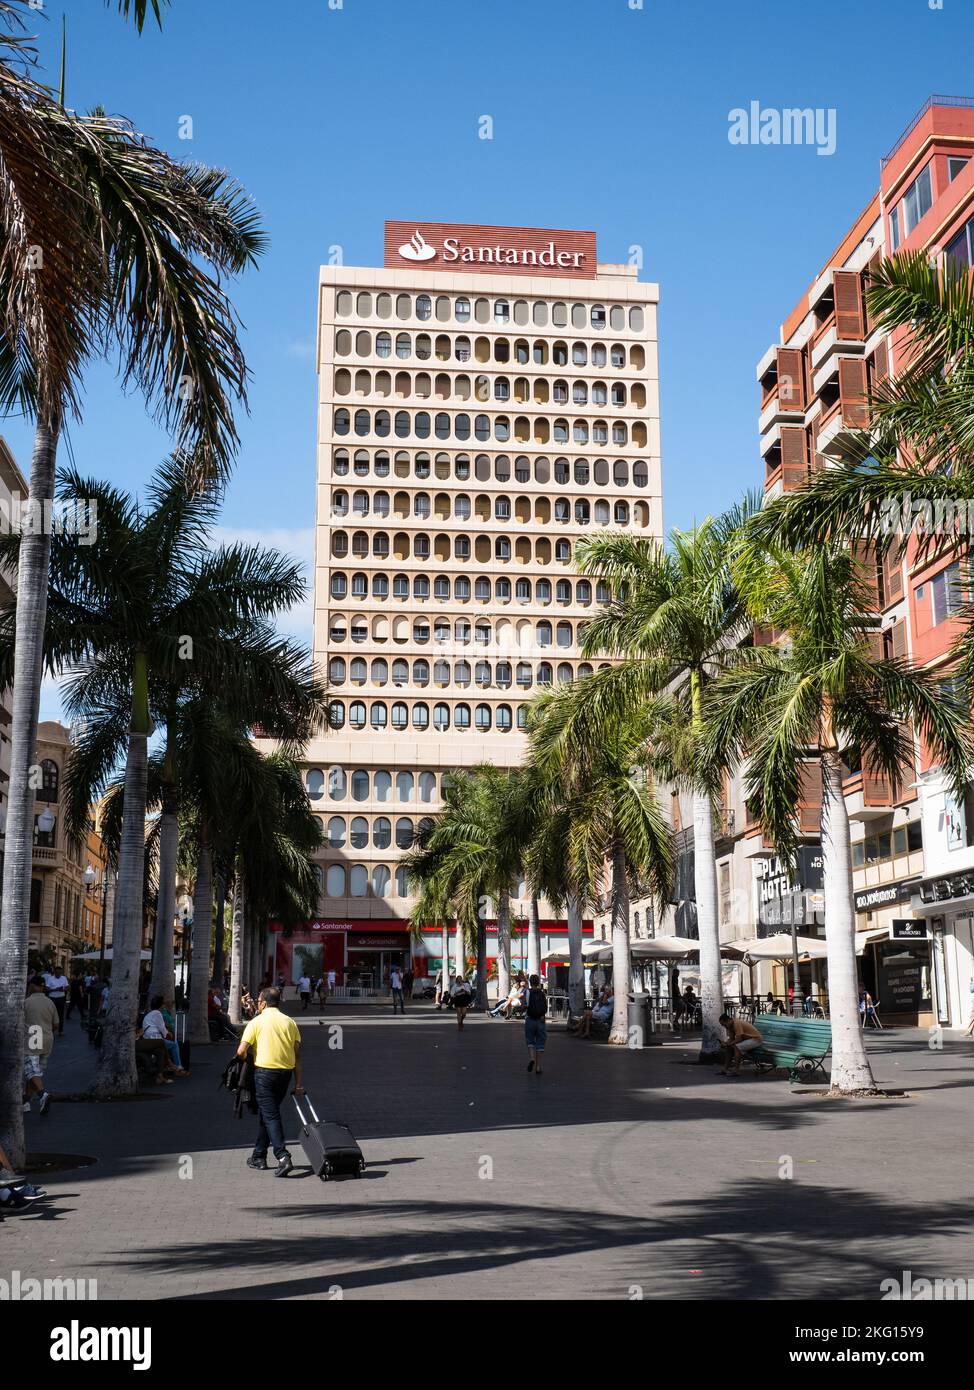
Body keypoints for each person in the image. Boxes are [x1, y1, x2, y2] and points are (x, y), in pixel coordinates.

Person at [236, 987, 303, 1176]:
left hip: (264, 1074)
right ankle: (258, 1156)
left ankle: (283, 1156)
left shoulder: (256, 1022)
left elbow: (241, 1052)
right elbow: (297, 1056)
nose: (257, 1003)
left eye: (258, 1000)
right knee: (268, 1113)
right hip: (285, 1074)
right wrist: (298, 1084)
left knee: (271, 1115)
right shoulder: (290, 1023)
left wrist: (246, 1061)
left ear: (264, 1002)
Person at [23, 976, 58, 1115]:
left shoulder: (26, 1002)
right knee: (36, 1072)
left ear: (32, 985)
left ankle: (42, 1094)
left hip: (33, 1037)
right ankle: (24, 1102)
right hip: (48, 1038)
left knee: (31, 1071)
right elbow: (56, 1024)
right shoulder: (50, 1002)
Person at [141, 994, 186, 1074]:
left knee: (168, 1044)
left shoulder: (150, 1014)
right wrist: (168, 1033)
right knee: (174, 1044)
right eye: (163, 1003)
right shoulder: (157, 1013)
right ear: (161, 1005)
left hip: (148, 1038)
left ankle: (170, 1065)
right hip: (154, 1039)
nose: (164, 1005)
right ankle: (178, 1066)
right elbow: (162, 1029)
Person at [524, 974, 547, 1074]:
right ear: (538, 983)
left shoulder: (527, 992)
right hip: (540, 1020)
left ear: (530, 982)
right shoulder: (542, 993)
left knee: (530, 1041)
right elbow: (545, 1007)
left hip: (530, 1019)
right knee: (540, 1043)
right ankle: (538, 1067)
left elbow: (525, 1005)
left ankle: (532, 1058)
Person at [43, 966, 69, 1036]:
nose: (58, 974)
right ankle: (51, 1030)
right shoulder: (50, 978)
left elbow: (67, 987)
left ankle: (60, 1030)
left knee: (61, 1015)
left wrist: (63, 989)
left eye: (60, 973)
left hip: (61, 998)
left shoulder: (64, 978)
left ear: (61, 972)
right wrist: (55, 989)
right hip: (52, 998)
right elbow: (47, 989)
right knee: (51, 1015)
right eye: (57, 972)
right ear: (54, 972)